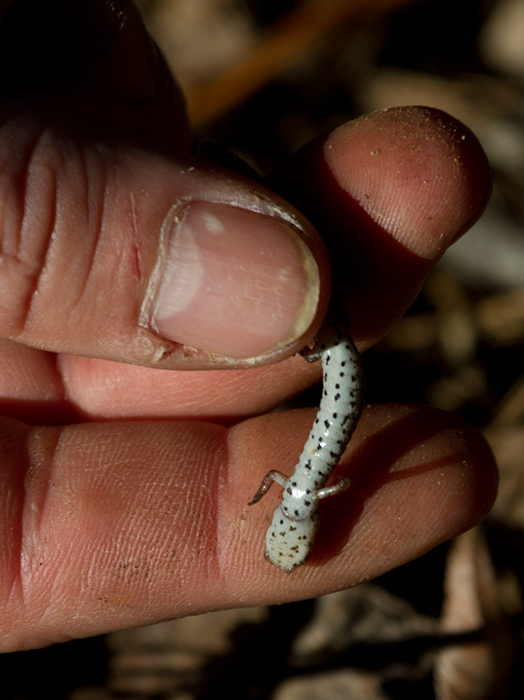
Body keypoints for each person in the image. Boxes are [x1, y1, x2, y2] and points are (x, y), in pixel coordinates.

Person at [0, 0, 496, 652]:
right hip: (332, 357)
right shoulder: (294, 484)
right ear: (300, 518)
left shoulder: (297, 485)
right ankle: (224, 173)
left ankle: (226, 176)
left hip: (330, 356)